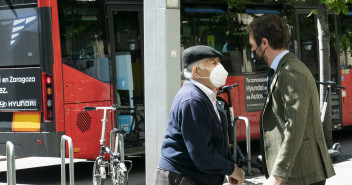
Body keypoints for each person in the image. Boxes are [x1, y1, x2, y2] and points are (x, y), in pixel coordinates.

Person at [247, 15, 335, 185]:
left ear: (264, 43)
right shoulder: (281, 69)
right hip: (296, 173)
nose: (254, 51)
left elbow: (294, 126)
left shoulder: (291, 72)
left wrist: (278, 174)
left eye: (253, 46)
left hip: (301, 174)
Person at [155, 45, 245, 185]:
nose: (220, 67)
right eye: (214, 63)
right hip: (182, 177)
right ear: (196, 72)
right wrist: (230, 169)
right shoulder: (192, 100)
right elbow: (202, 153)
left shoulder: (206, 95)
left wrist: (228, 167)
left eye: (219, 62)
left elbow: (218, 141)